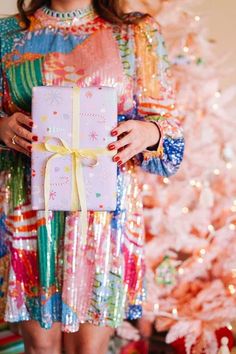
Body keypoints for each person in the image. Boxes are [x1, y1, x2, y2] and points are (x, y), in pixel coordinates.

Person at [0, 0, 185, 353]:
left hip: (104, 219)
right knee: (41, 345)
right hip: (29, 216)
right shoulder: (7, 35)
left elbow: (170, 128)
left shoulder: (136, 33)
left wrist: (149, 134)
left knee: (89, 348)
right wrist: (2, 127)